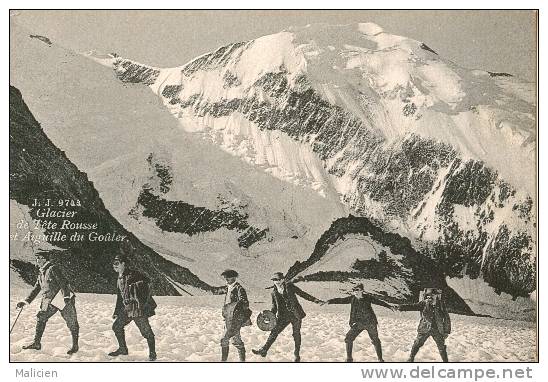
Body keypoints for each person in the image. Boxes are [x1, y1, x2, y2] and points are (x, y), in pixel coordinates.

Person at [17, 252, 79, 354]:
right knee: (41, 317)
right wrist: (26, 301)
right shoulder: (41, 272)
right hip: (49, 300)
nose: (38, 260)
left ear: (45, 259)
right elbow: (36, 289)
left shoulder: (53, 269)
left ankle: (75, 346)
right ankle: (36, 343)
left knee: (72, 322)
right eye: (37, 259)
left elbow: (63, 283)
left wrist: (66, 297)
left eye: (40, 258)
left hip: (61, 298)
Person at [252, 272, 324, 362]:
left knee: (296, 334)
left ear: (282, 279)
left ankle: (296, 354)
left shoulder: (290, 287)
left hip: (295, 314)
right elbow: (274, 307)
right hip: (283, 316)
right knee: (274, 332)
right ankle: (264, 350)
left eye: (278, 279)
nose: (276, 281)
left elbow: (302, 294)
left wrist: (316, 300)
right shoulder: (273, 292)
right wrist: (269, 316)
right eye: (274, 280)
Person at [322, 283, 396, 362]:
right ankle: (349, 359)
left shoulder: (368, 298)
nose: (355, 292)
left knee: (375, 340)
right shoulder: (352, 298)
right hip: (358, 323)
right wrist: (328, 301)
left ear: (362, 291)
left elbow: (379, 302)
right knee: (348, 338)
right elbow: (340, 300)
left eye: (357, 290)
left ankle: (380, 359)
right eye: (353, 290)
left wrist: (389, 306)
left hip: (370, 323)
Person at [108, 254, 158, 361]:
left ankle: (152, 354)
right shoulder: (119, 277)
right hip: (126, 309)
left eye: (117, 263)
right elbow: (119, 296)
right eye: (113, 264)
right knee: (116, 326)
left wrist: (138, 290)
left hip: (137, 309)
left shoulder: (133, 274)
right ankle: (123, 349)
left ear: (123, 264)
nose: (114, 266)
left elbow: (148, 282)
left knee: (146, 332)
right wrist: (117, 311)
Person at [397, 288, 451, 362]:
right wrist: (402, 307)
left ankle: (445, 362)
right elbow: (414, 306)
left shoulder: (441, 304)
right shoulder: (424, 303)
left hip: (437, 329)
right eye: (428, 296)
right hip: (424, 328)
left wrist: (446, 331)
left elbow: (446, 318)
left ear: (436, 296)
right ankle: (411, 358)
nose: (429, 298)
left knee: (441, 346)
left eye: (432, 296)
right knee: (417, 343)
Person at [220, 269, 252, 362]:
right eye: (225, 278)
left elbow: (245, 303)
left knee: (224, 339)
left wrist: (234, 311)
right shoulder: (228, 288)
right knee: (236, 341)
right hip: (228, 319)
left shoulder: (239, 288)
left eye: (228, 278)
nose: (226, 279)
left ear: (233, 278)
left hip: (234, 320)